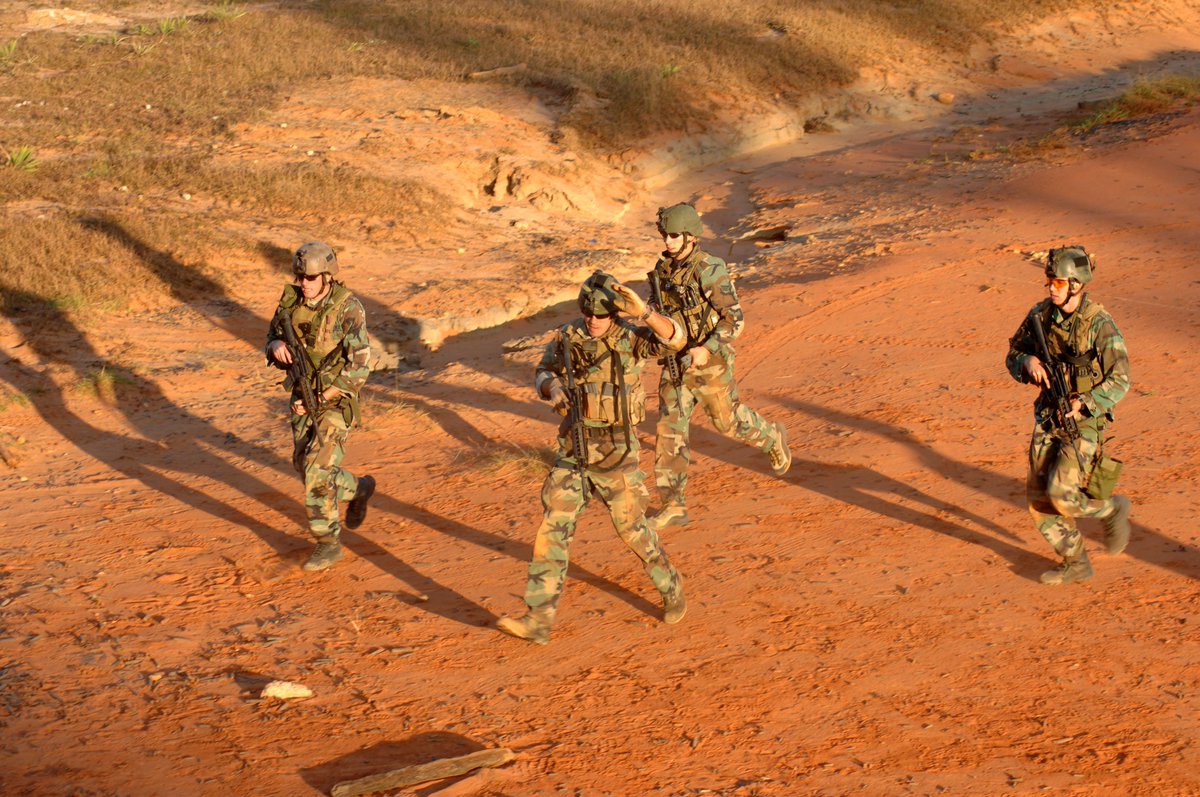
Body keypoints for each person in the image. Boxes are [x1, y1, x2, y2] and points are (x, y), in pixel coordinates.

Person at [497, 271, 688, 645]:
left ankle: (671, 586)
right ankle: (538, 619)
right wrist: (550, 388)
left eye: (601, 314)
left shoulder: (632, 338)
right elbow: (542, 371)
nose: (593, 320)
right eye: (588, 312)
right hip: (574, 450)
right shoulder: (569, 336)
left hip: (617, 454)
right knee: (552, 531)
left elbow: (676, 341)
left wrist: (645, 313)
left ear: (615, 313)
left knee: (633, 532)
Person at [646, 203, 791, 532]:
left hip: (709, 363)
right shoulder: (662, 271)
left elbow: (734, 320)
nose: (667, 241)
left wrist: (706, 348)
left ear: (691, 237)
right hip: (675, 363)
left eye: (673, 235)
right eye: (664, 235)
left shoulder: (710, 269)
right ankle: (673, 504)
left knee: (727, 423)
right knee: (670, 431)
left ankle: (771, 438)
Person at [1005, 245, 1132, 584]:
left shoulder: (1099, 324)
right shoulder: (1040, 316)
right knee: (1037, 499)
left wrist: (1086, 403)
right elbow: (1014, 353)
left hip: (1085, 422)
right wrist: (1026, 362)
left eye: (1059, 283)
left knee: (1063, 497)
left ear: (1077, 284)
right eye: (1049, 281)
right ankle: (1075, 561)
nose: (1051, 288)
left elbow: (1121, 379)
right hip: (1048, 416)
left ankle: (1112, 509)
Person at [266, 242, 375, 572]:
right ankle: (358, 488)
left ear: (328, 275)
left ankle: (328, 544)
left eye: (310, 277)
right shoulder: (291, 302)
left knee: (316, 471)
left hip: (335, 400)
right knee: (304, 466)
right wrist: (275, 345)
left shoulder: (348, 308)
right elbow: (270, 334)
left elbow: (360, 367)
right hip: (301, 396)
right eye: (300, 276)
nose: (304, 283)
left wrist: (325, 396)